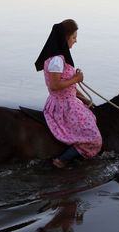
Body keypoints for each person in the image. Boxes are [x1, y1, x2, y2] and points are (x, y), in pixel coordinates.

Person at [34, 19, 102, 168]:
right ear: (65, 38)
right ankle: (62, 160)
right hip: (63, 106)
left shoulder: (60, 58)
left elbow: (66, 86)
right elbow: (55, 85)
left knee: (91, 116)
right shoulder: (57, 60)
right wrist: (76, 78)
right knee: (94, 138)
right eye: (73, 37)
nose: (75, 41)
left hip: (69, 101)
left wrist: (83, 98)